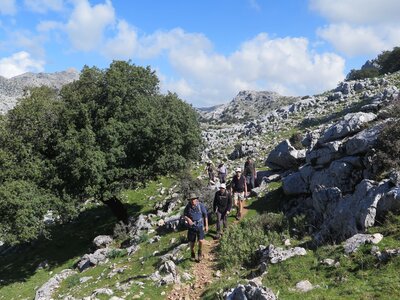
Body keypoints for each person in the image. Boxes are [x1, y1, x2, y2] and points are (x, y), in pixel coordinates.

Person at [183, 193, 208, 262]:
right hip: (192, 227)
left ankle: (199, 252)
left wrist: (206, 225)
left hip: (200, 225)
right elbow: (184, 215)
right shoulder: (188, 207)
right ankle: (192, 253)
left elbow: (205, 215)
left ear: (196, 199)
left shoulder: (200, 206)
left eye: (194, 199)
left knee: (201, 240)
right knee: (192, 242)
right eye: (191, 200)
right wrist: (188, 219)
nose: (193, 201)